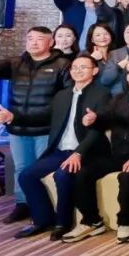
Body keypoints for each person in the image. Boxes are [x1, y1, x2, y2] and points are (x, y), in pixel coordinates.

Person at [0, 26, 71, 223]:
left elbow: (66, 100)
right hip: (18, 128)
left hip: (46, 129)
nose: (33, 42)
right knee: (21, 168)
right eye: (30, 38)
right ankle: (22, 204)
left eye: (39, 39)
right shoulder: (17, 63)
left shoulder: (62, 65)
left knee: (40, 169)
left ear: (51, 42)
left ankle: (44, 207)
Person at [62, 62, 129, 244]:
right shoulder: (118, 99)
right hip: (117, 155)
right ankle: (92, 220)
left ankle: (125, 223)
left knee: (127, 176)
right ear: (127, 77)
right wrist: (94, 119)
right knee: (83, 172)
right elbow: (104, 119)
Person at [13, 55, 111, 239]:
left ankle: (62, 223)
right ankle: (43, 220)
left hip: (88, 152)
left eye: (83, 67)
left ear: (95, 71)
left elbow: (98, 130)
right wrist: (14, 117)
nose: (78, 71)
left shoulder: (102, 94)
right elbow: (43, 116)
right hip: (60, 151)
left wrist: (78, 153)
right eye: (74, 67)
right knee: (26, 175)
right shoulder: (62, 95)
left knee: (63, 175)